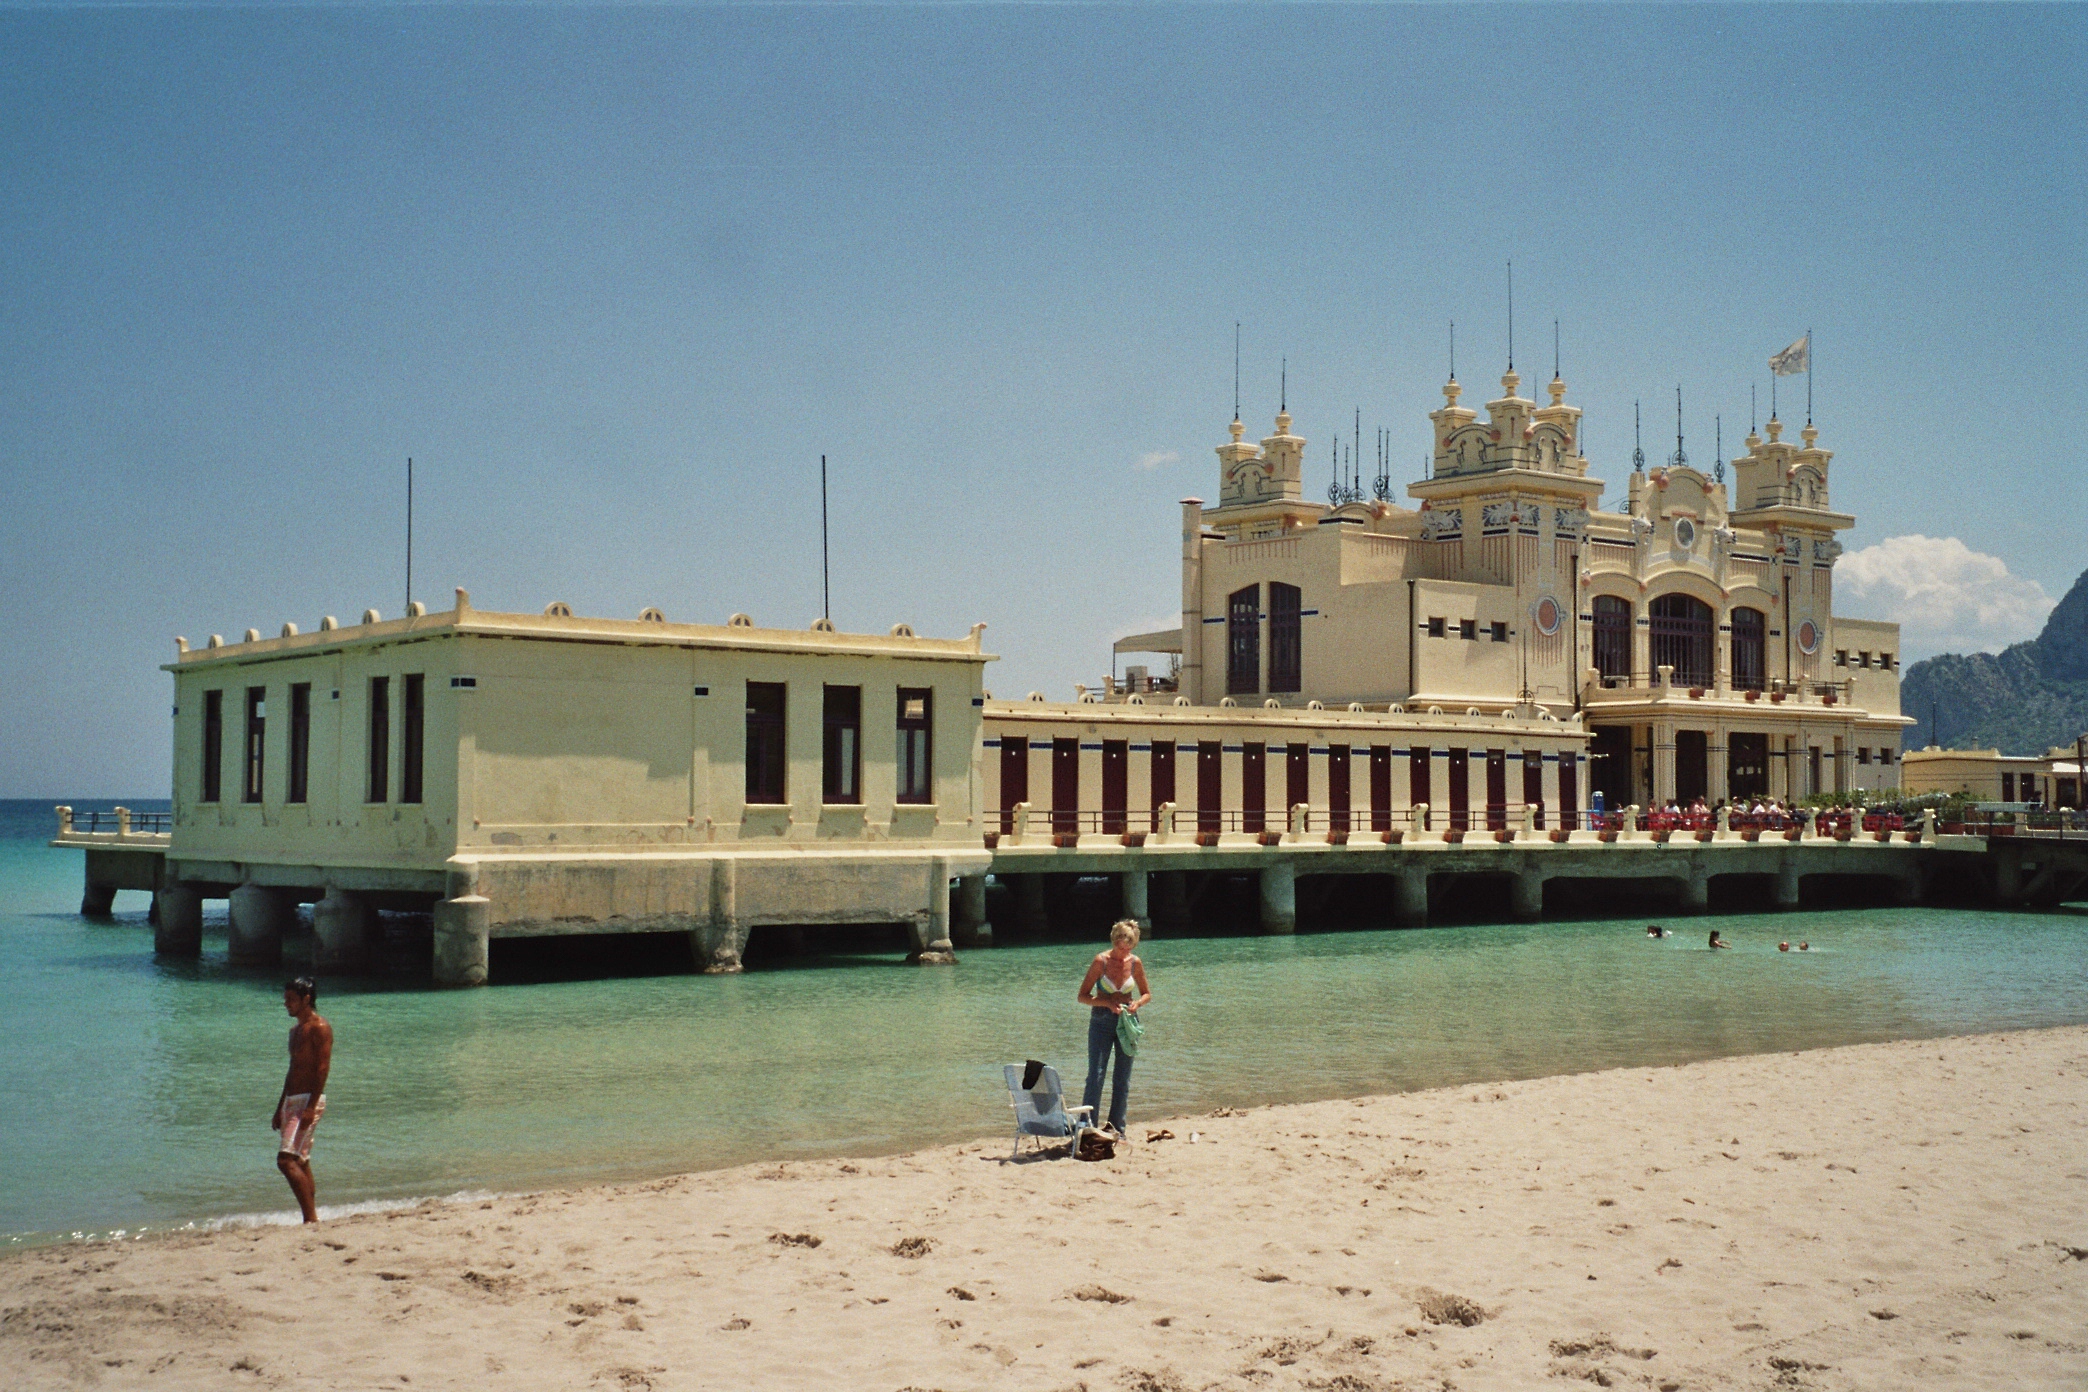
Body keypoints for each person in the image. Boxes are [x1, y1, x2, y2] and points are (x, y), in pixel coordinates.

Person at [1077, 920, 1151, 1137]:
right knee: (1096, 1075)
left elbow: (1147, 993)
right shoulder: (1101, 961)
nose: (1124, 949)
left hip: (1127, 1021)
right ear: (1114, 939)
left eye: (1129, 944)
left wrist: (1137, 1003)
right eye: (1121, 943)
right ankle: (1087, 1127)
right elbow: (1082, 996)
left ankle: (1117, 1128)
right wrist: (1107, 1003)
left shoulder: (1135, 963)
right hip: (1101, 1020)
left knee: (1122, 1077)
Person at [274, 976, 333, 1224]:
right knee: (301, 1160)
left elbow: (322, 1068)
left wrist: (310, 1107)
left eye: (291, 999)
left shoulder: (320, 1028)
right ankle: (312, 1217)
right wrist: (279, 1107)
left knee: (285, 1161)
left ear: (306, 999)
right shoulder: (294, 1031)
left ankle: (310, 1219)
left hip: (308, 1101)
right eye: (285, 999)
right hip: (292, 1102)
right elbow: (292, 1070)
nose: (286, 1003)